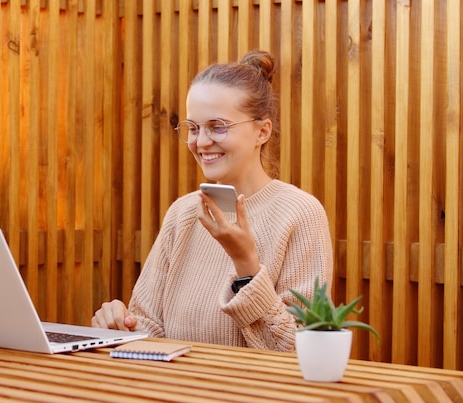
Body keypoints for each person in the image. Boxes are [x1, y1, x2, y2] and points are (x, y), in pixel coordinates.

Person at [91, 49, 333, 351]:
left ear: (262, 131)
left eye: (217, 127)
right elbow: (149, 328)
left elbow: (300, 349)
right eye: (193, 128)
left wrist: (246, 265)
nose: (201, 142)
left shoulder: (300, 213)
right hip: (178, 394)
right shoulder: (183, 214)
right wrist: (119, 325)